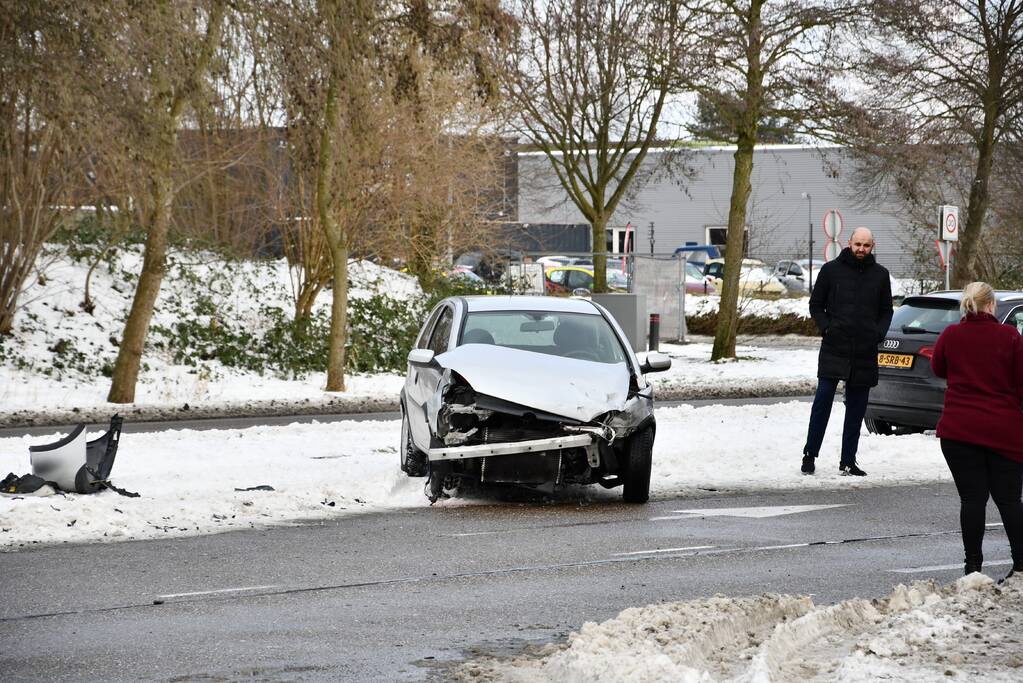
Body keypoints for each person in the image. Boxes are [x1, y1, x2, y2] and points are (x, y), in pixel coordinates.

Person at [931, 282, 1023, 579]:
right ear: (991, 305)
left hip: (958, 431)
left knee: (972, 500)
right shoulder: (1010, 336)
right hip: (1004, 431)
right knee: (1009, 500)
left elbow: (938, 368)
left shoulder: (951, 335)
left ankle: (972, 567)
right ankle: (1021, 565)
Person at [801, 227, 893, 476]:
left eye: (866, 245)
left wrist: (878, 333)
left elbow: (887, 311)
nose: (861, 249)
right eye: (857, 244)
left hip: (865, 349)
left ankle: (848, 460)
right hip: (835, 346)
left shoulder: (881, 275)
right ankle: (810, 454)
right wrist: (827, 328)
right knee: (823, 401)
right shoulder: (831, 271)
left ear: (872, 246)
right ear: (849, 243)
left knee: (857, 407)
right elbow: (816, 304)